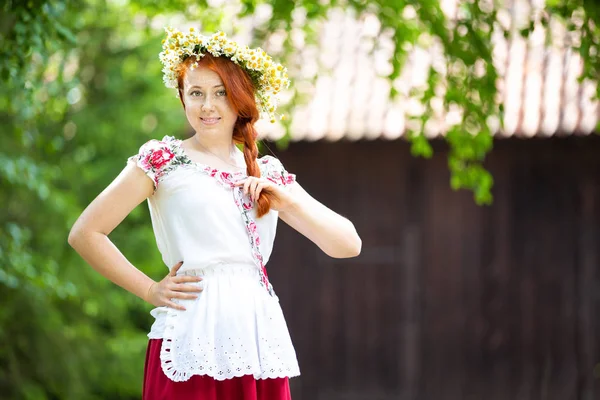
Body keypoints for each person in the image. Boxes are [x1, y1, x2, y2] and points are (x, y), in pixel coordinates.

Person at [68, 27, 362, 400]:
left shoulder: (267, 172)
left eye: (220, 93)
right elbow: (86, 233)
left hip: (256, 338)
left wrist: (288, 201)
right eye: (196, 93)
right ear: (182, 99)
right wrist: (150, 289)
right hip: (192, 334)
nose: (208, 105)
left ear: (240, 99)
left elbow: (348, 243)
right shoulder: (163, 160)